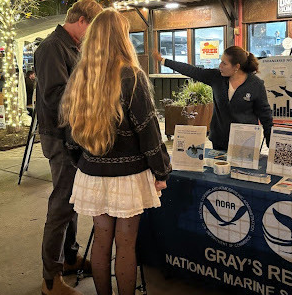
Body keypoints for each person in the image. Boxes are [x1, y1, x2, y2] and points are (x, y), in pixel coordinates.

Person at [59, 8, 171, 295]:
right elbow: (148, 131)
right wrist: (161, 171)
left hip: (91, 173)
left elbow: (70, 136)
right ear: (122, 38)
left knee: (100, 242)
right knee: (126, 244)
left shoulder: (80, 77)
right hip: (128, 175)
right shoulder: (131, 76)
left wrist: (83, 163)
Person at [34, 1, 103, 294]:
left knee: (73, 201)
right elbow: (56, 97)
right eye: (94, 29)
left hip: (72, 136)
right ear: (83, 21)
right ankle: (51, 279)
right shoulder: (52, 47)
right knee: (62, 205)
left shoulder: (72, 47)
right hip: (60, 136)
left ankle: (70, 257)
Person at [153, 46, 273, 150]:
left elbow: (265, 115)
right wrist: (163, 61)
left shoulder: (255, 84)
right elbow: (191, 70)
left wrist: (270, 144)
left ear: (236, 67)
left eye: (224, 63)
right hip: (219, 140)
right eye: (221, 62)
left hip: (245, 142)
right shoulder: (216, 77)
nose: (220, 66)